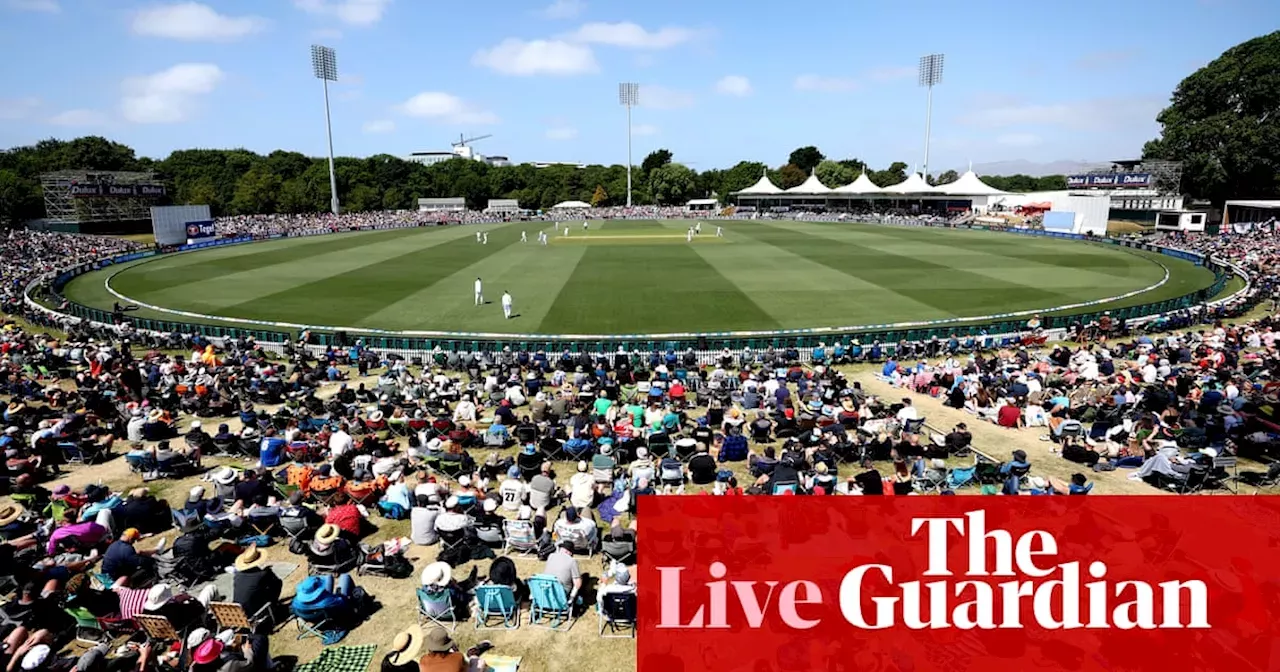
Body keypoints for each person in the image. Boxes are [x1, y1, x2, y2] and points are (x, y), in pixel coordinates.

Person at [232, 546, 282, 620]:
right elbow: (277, 583)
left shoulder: (238, 575)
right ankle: (273, 607)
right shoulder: (262, 574)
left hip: (239, 612)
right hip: (254, 612)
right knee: (276, 584)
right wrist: (269, 572)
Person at [543, 541, 583, 613]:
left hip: (546, 591)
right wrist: (572, 597)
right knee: (580, 580)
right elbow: (577, 582)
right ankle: (576, 602)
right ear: (570, 552)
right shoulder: (572, 561)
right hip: (561, 594)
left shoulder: (551, 556)